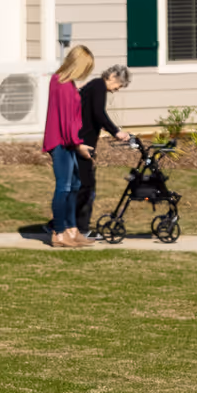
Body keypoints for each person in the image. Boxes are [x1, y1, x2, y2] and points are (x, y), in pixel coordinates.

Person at [41, 45, 96, 248]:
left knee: (74, 185)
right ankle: (59, 232)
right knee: (63, 187)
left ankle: (72, 230)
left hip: (68, 142)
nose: (85, 73)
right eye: (85, 68)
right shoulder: (62, 83)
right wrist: (78, 145)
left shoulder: (66, 82)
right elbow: (65, 120)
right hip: (61, 142)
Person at [74, 64, 130, 236]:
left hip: (83, 141)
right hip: (83, 144)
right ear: (112, 76)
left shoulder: (93, 86)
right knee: (86, 186)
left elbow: (95, 114)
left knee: (78, 185)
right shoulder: (98, 85)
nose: (116, 90)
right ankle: (81, 229)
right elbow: (99, 113)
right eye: (118, 86)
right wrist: (116, 131)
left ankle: (61, 224)